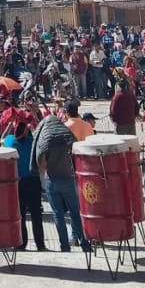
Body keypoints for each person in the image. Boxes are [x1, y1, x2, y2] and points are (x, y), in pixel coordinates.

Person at [34, 102, 89, 252]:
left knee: (58, 214)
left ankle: (64, 245)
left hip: (52, 180)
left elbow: (41, 163)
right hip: (67, 178)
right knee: (75, 213)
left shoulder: (46, 141)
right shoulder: (65, 138)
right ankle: (84, 242)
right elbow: (75, 151)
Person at [3, 105, 48, 251]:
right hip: (34, 181)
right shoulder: (32, 142)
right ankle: (40, 244)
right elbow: (38, 138)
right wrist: (31, 124)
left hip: (19, 182)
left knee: (20, 214)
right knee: (36, 214)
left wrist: (10, 125)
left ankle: (21, 244)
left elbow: (3, 138)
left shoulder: (10, 142)